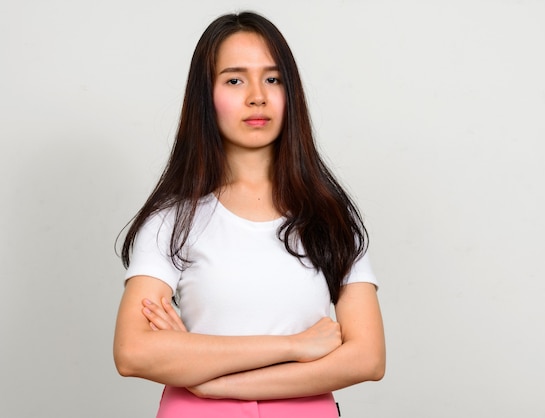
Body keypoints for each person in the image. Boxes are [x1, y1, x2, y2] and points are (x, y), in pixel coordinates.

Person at [113, 11, 385, 418]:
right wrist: (294, 346)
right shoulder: (174, 220)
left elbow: (367, 358)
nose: (257, 95)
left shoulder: (329, 217)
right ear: (206, 96)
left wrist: (211, 382)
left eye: (273, 79)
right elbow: (133, 352)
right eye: (235, 79)